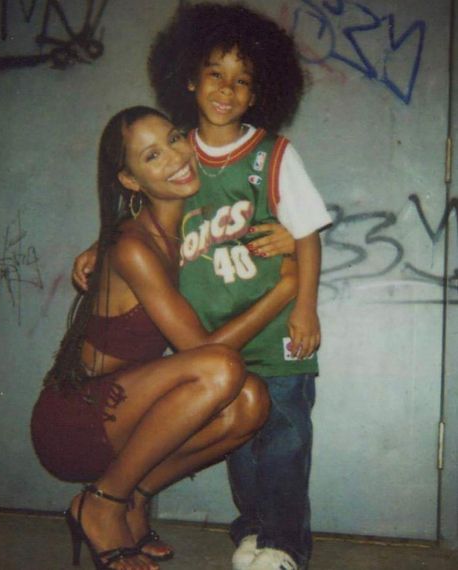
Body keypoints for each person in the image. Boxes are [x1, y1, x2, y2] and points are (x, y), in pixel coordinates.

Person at [31, 106, 300, 570]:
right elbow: (204, 354)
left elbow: (278, 215)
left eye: (175, 138)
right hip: (75, 420)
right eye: (153, 155)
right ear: (131, 180)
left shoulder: (190, 226)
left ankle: (133, 494)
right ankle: (102, 502)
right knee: (222, 369)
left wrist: (289, 237)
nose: (176, 157)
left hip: (132, 413)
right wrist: (283, 294)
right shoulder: (133, 246)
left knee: (252, 402)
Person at [148, 4, 332, 570]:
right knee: (236, 439)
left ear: (258, 94)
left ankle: (284, 544)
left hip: (275, 326)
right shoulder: (177, 157)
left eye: (242, 80)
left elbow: (307, 234)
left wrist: (305, 307)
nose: (226, 89)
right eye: (215, 73)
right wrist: (94, 247)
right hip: (210, 336)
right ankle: (253, 529)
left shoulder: (273, 154)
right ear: (189, 79)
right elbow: (142, 217)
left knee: (284, 439)